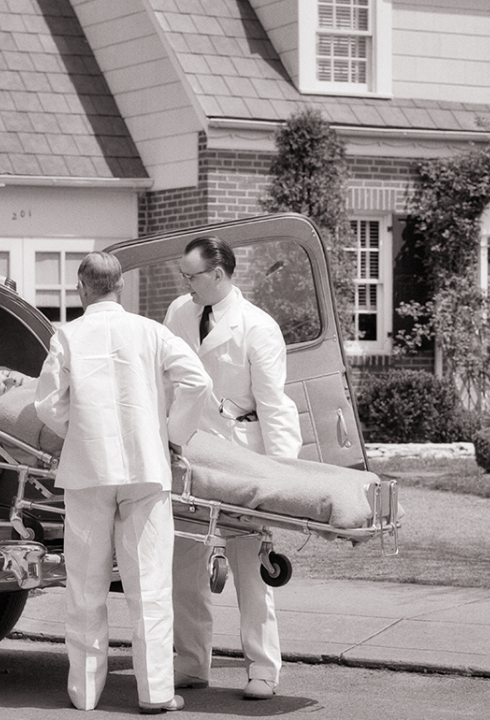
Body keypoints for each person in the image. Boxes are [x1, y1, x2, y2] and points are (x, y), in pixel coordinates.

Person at [34, 252, 212, 714]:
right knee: (149, 586)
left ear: (81, 288)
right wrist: (170, 435)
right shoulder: (152, 332)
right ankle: (154, 692)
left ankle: (85, 693)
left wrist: (78, 429)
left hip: (88, 470)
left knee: (85, 586)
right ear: (121, 288)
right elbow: (197, 382)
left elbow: (46, 405)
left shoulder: (67, 335)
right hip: (145, 469)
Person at [164, 236, 303, 701]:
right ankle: (190, 663)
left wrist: (281, 473)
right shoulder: (179, 313)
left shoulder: (258, 327)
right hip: (189, 452)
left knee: (248, 567)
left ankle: (262, 669)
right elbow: (167, 382)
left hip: (242, 455)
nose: (185, 284)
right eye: (183, 276)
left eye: (192, 276)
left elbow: (275, 405)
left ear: (218, 275)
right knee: (183, 564)